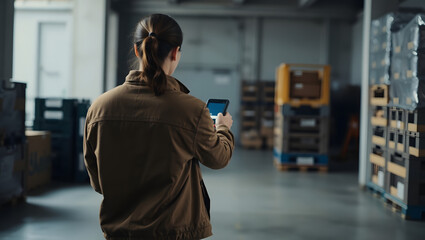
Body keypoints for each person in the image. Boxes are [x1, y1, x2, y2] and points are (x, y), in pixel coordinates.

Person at [83, 13, 234, 240]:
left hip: (119, 232)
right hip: (172, 232)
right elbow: (218, 158)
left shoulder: (99, 107)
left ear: (137, 50)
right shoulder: (192, 110)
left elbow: (97, 179)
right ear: (175, 52)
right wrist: (222, 128)